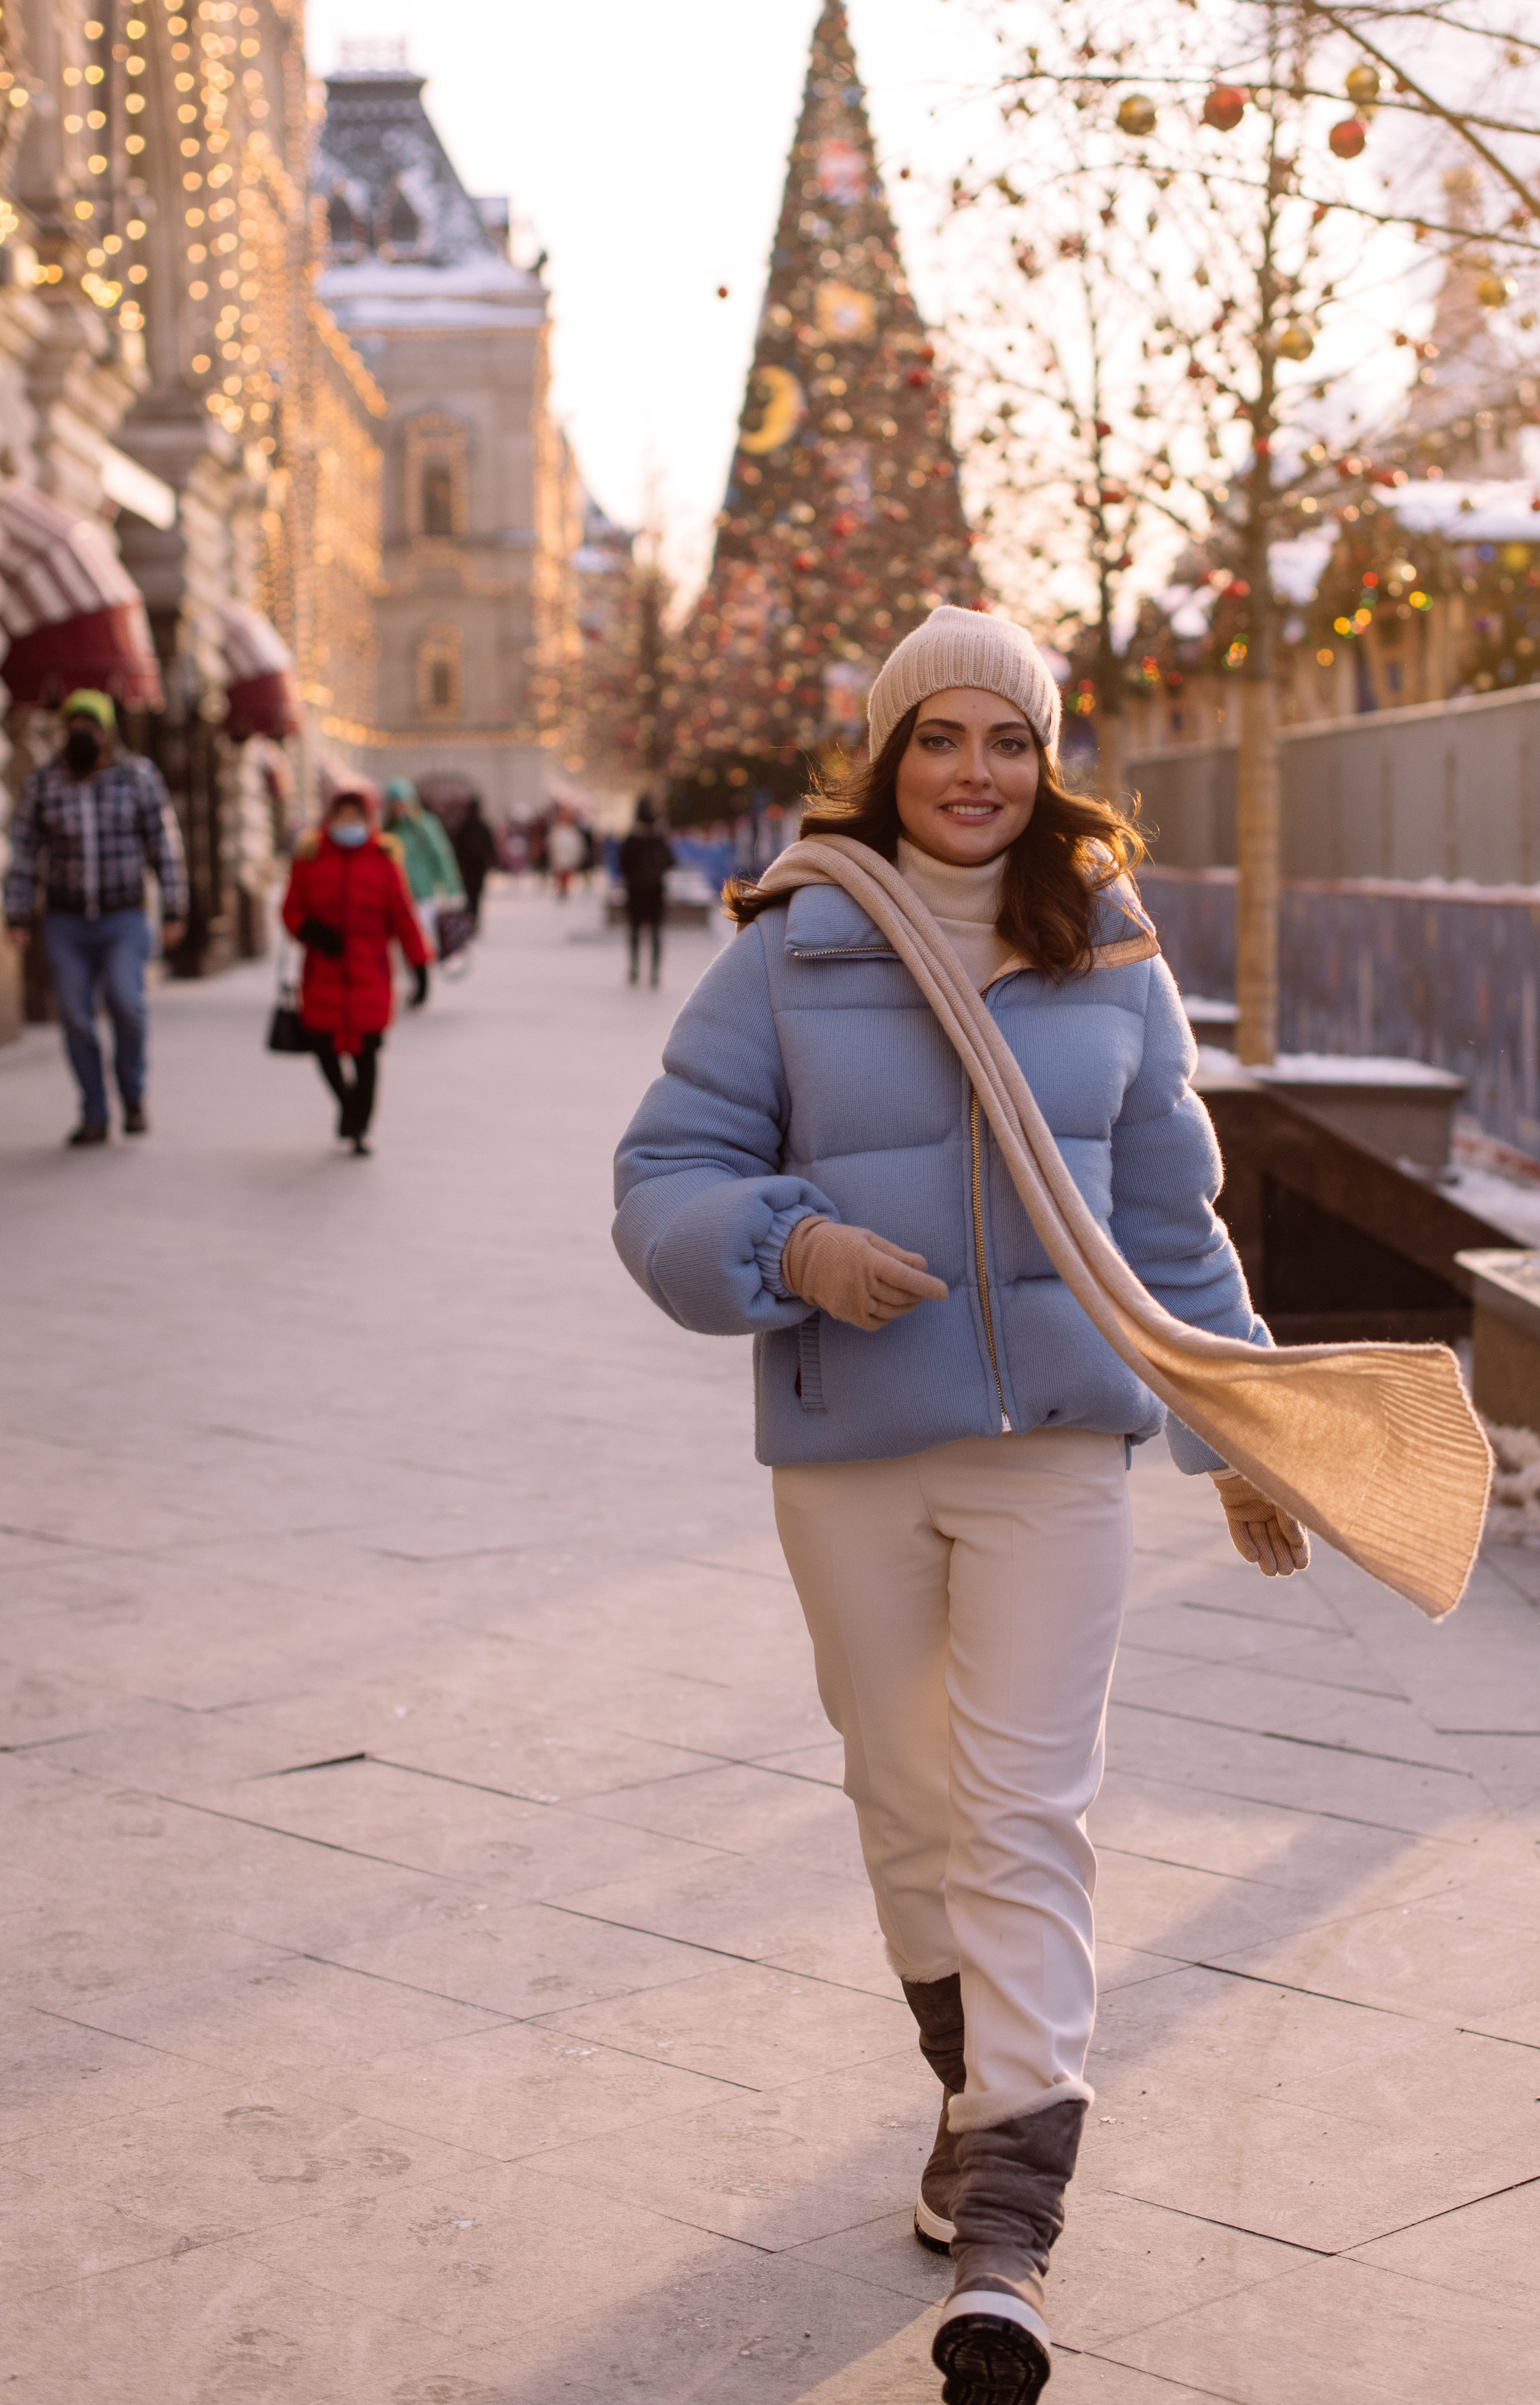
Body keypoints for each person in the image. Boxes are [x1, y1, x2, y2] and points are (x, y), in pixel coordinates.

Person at [612, 608, 1305, 2405]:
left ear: (1045, 757)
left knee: (1027, 1801)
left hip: (1058, 1442)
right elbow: (664, 1174)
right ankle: (966, 2068)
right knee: (905, 1783)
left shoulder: (1112, 951)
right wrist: (792, 1245)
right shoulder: (785, 945)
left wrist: (1242, 1432)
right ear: (887, 751)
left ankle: (1007, 2226)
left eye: (1006, 738)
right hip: (852, 1438)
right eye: (939, 736)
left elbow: (1168, 1222)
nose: (973, 771)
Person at [3, 688, 187, 1146]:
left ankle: (133, 1093)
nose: (82, 734)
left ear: (107, 732)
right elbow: (24, 851)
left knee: (127, 1004)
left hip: (122, 916)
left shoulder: (137, 776)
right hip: (65, 921)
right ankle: (94, 1111)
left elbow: (164, 845)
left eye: (91, 726)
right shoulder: (44, 782)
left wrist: (174, 906)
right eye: (74, 727)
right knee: (76, 1017)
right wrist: (17, 912)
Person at [282, 786, 430, 1156]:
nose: (349, 825)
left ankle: (360, 1126)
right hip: (322, 972)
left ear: (369, 821)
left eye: (356, 818)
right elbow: (291, 909)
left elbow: (403, 917)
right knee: (322, 1046)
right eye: (342, 818)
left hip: (371, 974)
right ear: (330, 820)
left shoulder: (383, 861)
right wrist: (310, 931)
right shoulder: (310, 857)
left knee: (367, 1053)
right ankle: (347, 1104)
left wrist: (420, 965)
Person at [380, 779, 464, 1007]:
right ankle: (414, 982)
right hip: (396, 896)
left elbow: (441, 856)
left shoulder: (425, 825)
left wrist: (451, 888)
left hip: (423, 893)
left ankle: (422, 980)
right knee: (403, 946)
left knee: (421, 941)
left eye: (402, 803)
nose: (399, 808)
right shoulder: (386, 831)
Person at [618, 793, 675, 988]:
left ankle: (636, 970)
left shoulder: (633, 837)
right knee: (655, 932)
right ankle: (653, 973)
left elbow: (623, 863)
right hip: (654, 891)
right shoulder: (659, 837)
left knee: (637, 931)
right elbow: (671, 861)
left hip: (637, 891)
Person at [450, 793, 499, 929]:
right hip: (475, 867)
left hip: (471, 866)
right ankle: (472, 919)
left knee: (471, 894)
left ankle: (471, 919)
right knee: (475, 894)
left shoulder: (465, 826)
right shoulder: (474, 826)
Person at [546, 810, 586, 899]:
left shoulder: (573, 832)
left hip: (569, 858)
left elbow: (578, 846)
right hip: (559, 858)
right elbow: (552, 845)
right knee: (560, 875)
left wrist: (578, 856)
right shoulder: (556, 831)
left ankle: (565, 891)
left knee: (567, 875)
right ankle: (560, 891)